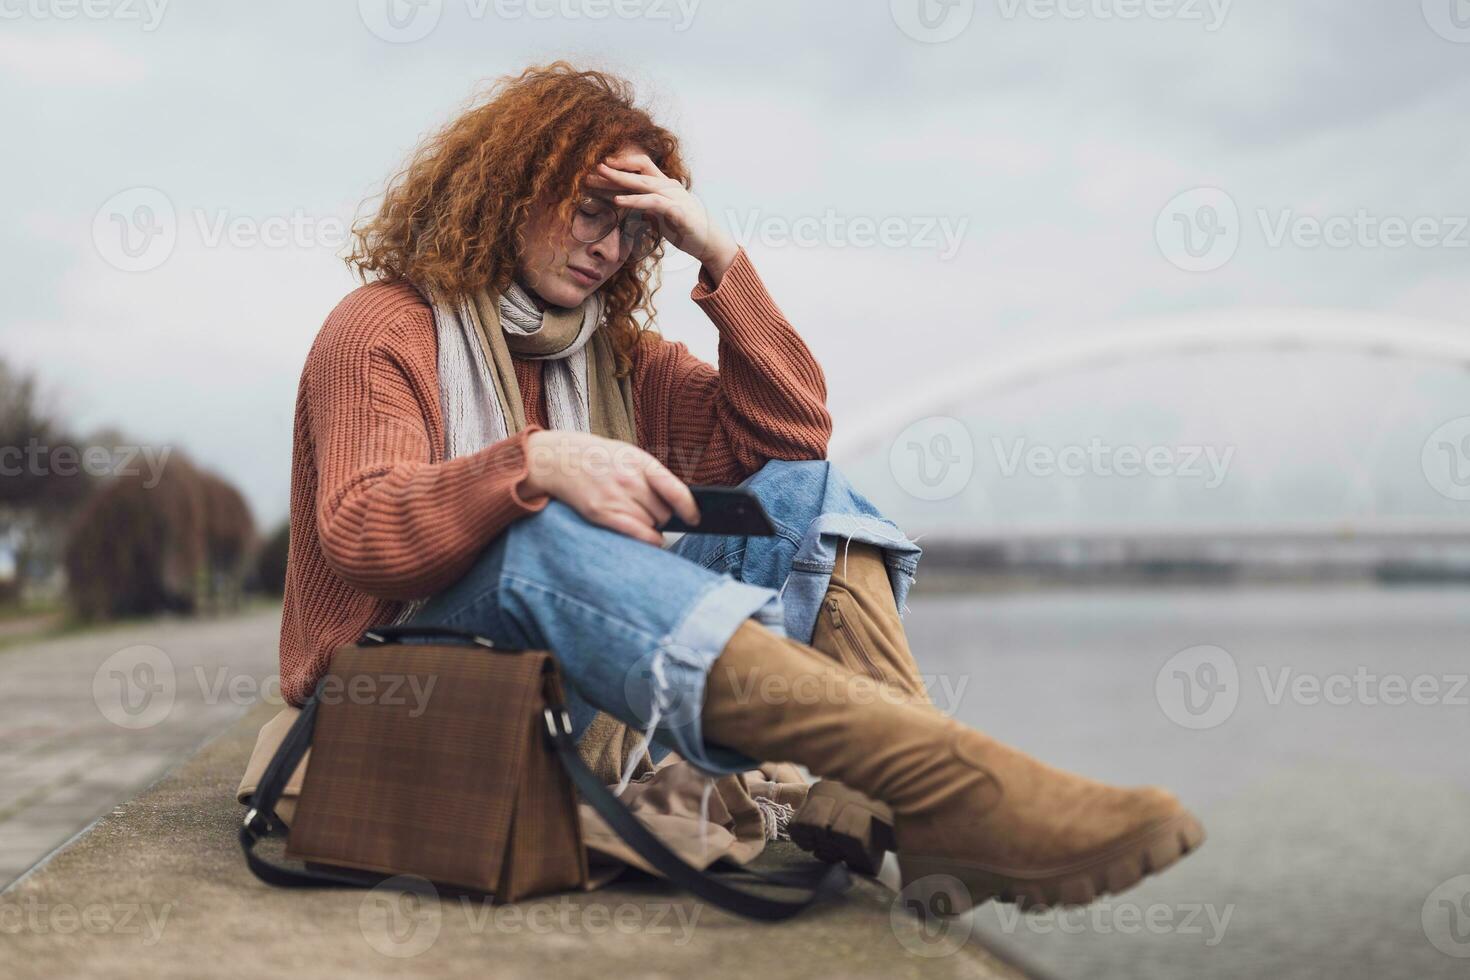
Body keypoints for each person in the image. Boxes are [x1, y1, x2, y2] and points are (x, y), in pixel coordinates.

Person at [266, 60, 1203, 910]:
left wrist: (720, 258)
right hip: (410, 701)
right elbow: (361, 528)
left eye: (636, 227)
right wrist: (534, 463)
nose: (608, 245)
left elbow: (792, 442)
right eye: (591, 207)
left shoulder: (618, 359)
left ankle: (909, 791)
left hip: (569, 691)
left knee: (799, 491)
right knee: (537, 536)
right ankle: (948, 781)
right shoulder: (382, 328)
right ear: (511, 190)